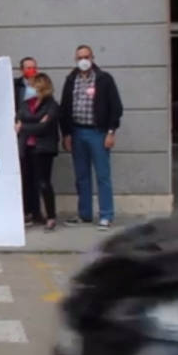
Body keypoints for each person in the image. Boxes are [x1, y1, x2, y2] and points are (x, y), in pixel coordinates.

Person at [59, 45, 123, 230]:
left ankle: (106, 215)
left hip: (99, 133)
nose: (83, 60)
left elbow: (116, 107)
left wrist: (111, 132)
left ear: (93, 57)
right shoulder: (71, 80)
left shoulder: (104, 79)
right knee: (82, 176)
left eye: (86, 56)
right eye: (80, 57)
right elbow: (65, 109)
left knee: (103, 175)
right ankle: (84, 213)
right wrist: (67, 134)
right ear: (75, 59)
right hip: (78, 132)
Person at [16, 73, 60, 231]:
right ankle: (30, 212)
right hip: (26, 147)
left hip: (43, 148)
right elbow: (18, 119)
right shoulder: (26, 103)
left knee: (43, 182)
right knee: (27, 182)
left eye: (33, 85)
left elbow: (45, 127)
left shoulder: (52, 105)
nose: (30, 88)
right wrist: (33, 124)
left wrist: (25, 127)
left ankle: (51, 216)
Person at [14, 56, 38, 223]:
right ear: (21, 69)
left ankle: (36, 212)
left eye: (33, 67)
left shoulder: (42, 84)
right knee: (23, 175)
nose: (31, 70)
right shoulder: (15, 86)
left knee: (37, 176)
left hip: (37, 136)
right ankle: (24, 211)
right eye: (27, 67)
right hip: (19, 135)